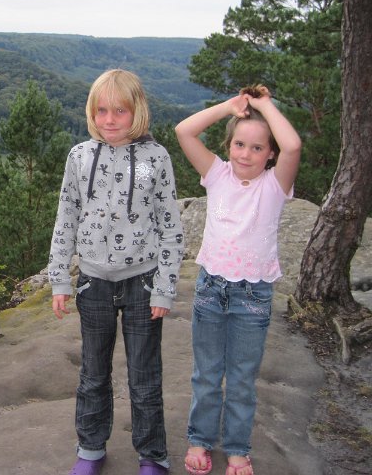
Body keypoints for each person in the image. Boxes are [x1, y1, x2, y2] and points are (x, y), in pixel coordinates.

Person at [48, 69, 184, 475]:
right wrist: (60, 278)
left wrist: (164, 288)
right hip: (92, 283)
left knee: (144, 377)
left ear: (137, 111)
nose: (110, 120)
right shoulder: (79, 156)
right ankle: (90, 449)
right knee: (93, 374)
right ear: (92, 112)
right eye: (102, 110)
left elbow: (170, 226)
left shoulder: (155, 159)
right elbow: (66, 217)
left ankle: (153, 455)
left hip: (143, 282)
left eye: (120, 111)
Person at [174, 86, 301, 475]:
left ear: (271, 153)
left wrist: (265, 106)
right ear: (228, 146)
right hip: (211, 289)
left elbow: (294, 145)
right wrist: (229, 107)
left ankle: (236, 448)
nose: (246, 154)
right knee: (207, 374)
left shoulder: (275, 186)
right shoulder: (216, 174)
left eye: (257, 148)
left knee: (242, 379)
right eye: (239, 144)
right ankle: (200, 439)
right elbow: (184, 131)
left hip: (253, 295)